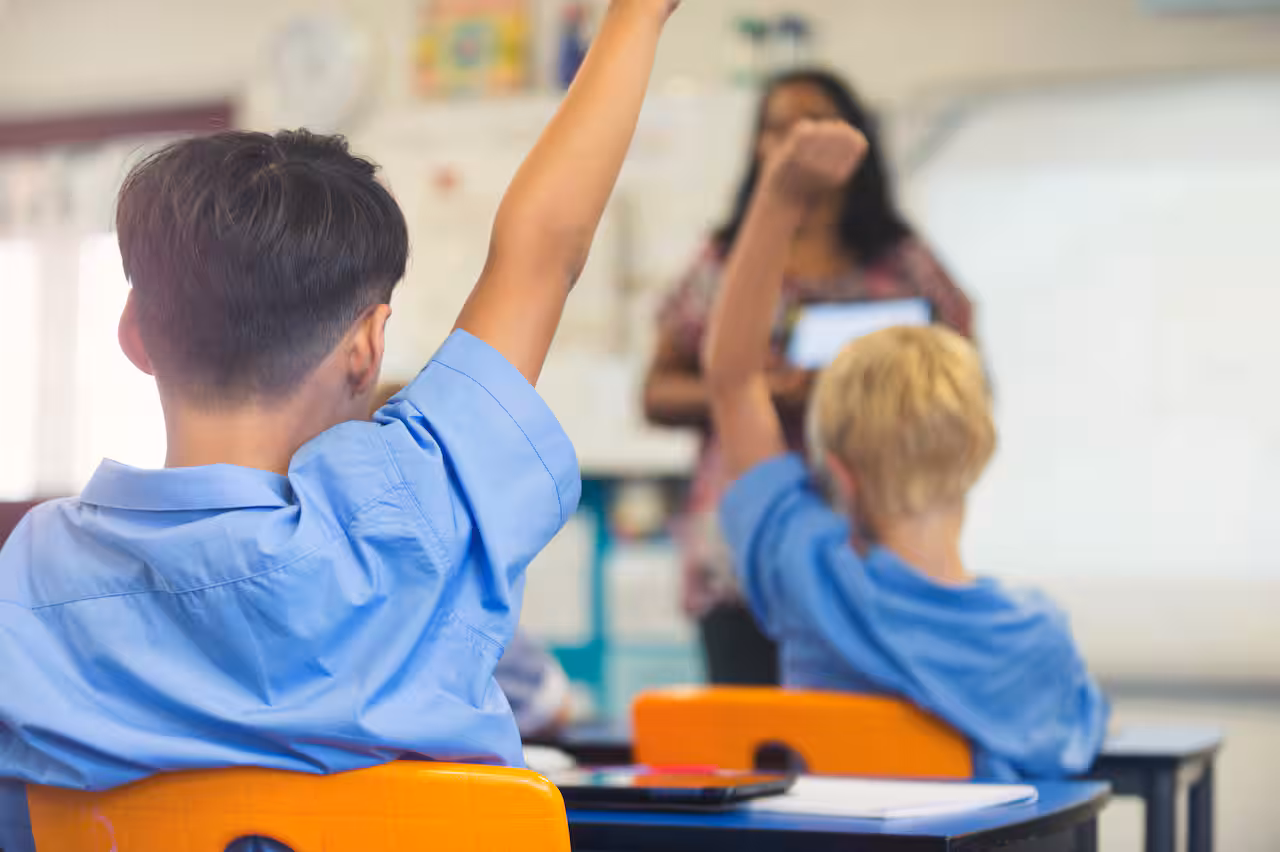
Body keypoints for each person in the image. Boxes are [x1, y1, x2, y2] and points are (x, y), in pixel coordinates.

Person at [0, 3, 677, 833]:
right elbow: (542, 253)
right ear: (368, 346)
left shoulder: (31, 574)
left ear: (134, 333)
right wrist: (638, 16)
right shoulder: (417, 512)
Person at [701, 119, 1108, 779]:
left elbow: (732, 380)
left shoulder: (806, 574)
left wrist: (779, 197)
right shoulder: (1038, 638)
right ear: (979, 454)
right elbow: (1070, 761)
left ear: (839, 473)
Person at [644, 69, 974, 687]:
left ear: (854, 135)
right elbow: (660, 392)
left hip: (880, 543)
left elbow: (962, 377)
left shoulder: (904, 260)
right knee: (754, 732)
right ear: (756, 145)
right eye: (777, 127)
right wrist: (761, 393)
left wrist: (867, 390)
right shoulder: (722, 261)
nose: (796, 140)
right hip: (747, 551)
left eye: (814, 122)